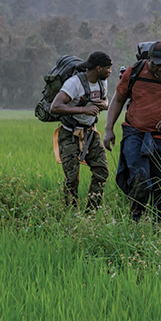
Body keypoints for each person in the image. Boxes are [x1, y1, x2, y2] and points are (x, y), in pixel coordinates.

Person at [102, 41, 161, 221]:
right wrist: (108, 129)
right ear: (149, 59)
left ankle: (158, 224)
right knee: (140, 176)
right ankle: (136, 220)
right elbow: (118, 100)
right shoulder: (135, 72)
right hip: (135, 132)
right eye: (157, 65)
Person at [49, 51, 113, 210]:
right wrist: (83, 110)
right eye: (108, 68)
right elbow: (55, 107)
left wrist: (105, 104)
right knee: (72, 179)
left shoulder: (102, 82)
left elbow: (105, 99)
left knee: (102, 171)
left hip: (90, 133)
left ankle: (92, 212)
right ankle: (71, 213)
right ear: (98, 68)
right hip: (69, 133)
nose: (110, 71)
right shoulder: (74, 84)